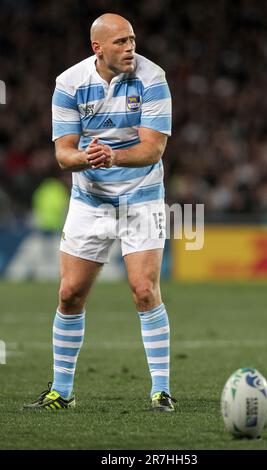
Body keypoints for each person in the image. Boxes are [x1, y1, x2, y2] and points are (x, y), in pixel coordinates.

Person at [23, 13, 175, 412]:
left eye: (133, 40)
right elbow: (63, 153)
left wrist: (113, 155)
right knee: (70, 295)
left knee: (144, 290)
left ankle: (161, 391)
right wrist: (85, 158)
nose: (131, 49)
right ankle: (61, 391)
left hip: (142, 195)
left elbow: (154, 149)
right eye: (121, 42)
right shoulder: (69, 83)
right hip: (89, 200)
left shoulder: (152, 78)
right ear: (98, 48)